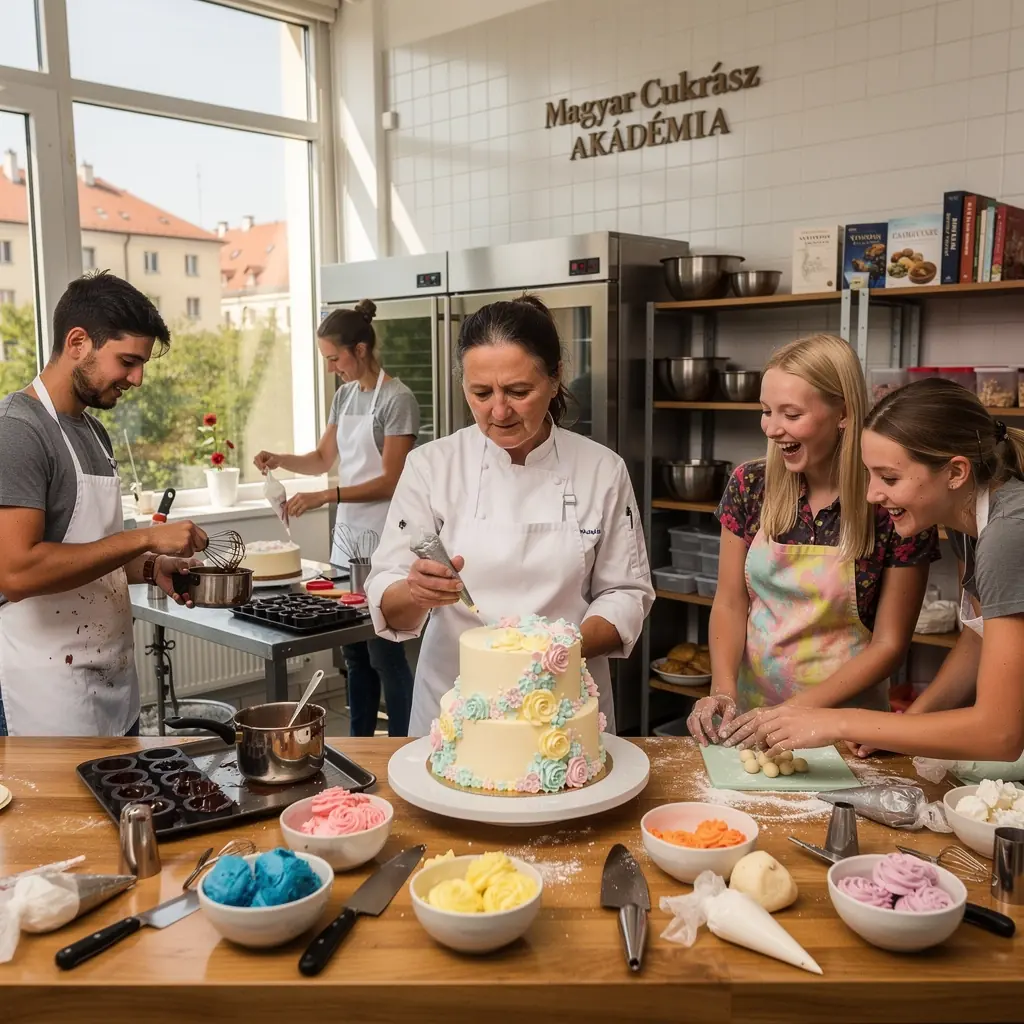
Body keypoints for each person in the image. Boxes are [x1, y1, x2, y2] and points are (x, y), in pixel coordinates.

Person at [365, 295, 655, 736]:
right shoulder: (432, 466)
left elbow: (625, 593)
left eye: (519, 392)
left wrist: (560, 650)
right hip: (454, 705)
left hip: (565, 703)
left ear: (556, 377)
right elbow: (388, 593)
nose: (498, 412)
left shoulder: (601, 469)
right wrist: (416, 590)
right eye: (481, 393)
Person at [723, 378, 1024, 762]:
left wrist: (841, 722)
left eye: (890, 478)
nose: (872, 495)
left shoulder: (1008, 533)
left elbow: (999, 734)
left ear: (955, 472)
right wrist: (907, 728)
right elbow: (979, 640)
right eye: (870, 475)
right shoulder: (966, 517)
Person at [688, 334, 938, 747]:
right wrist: (723, 690)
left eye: (791, 413)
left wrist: (797, 713)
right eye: (766, 412)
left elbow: (890, 644)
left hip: (850, 729)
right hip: (752, 717)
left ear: (842, 411)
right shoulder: (751, 486)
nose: (772, 428)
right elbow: (730, 601)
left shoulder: (889, 500)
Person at [0, 272, 207, 737]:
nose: (137, 379)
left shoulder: (94, 431)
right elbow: (16, 573)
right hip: (42, 686)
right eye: (128, 361)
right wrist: (146, 536)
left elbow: (91, 553)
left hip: (111, 678)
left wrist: (152, 566)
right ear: (77, 342)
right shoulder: (18, 431)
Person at [253, 299, 419, 737]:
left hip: (385, 544)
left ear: (360, 349)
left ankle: (400, 746)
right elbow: (322, 458)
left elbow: (390, 481)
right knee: (354, 655)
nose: (331, 368)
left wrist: (326, 493)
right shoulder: (345, 396)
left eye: (334, 358)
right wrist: (281, 458)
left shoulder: (397, 399)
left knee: (385, 654)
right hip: (348, 544)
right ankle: (360, 745)